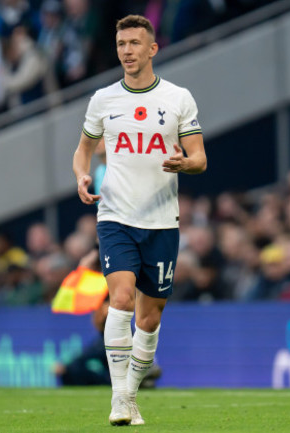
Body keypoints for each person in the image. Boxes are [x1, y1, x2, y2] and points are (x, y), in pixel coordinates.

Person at [72, 15, 206, 426]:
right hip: (115, 216)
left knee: (149, 320)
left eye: (134, 43)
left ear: (152, 49)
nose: (126, 51)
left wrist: (185, 163)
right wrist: (80, 173)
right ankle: (118, 398)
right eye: (121, 43)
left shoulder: (179, 98)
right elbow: (84, 150)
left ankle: (131, 394)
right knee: (122, 299)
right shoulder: (103, 100)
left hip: (162, 221)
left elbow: (200, 158)